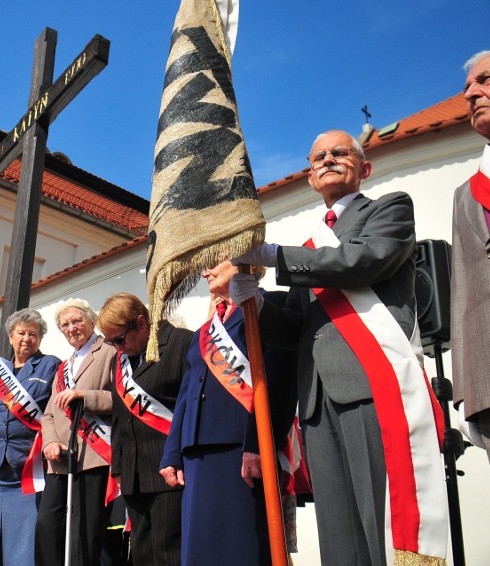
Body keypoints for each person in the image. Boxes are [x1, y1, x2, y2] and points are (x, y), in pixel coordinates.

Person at [230, 130, 449, 565]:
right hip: (316, 401)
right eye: (318, 157)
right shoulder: (309, 246)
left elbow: (362, 261)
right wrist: (254, 304)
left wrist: (274, 255)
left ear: (363, 168)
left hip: (373, 384)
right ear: (311, 176)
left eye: (339, 152)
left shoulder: (390, 209)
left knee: (382, 523)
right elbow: (294, 328)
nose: (328, 159)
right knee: (338, 533)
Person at [158, 263, 297, 565]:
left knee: (241, 545)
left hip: (239, 448)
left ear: (243, 262)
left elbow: (277, 381)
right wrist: (172, 453)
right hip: (197, 452)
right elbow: (187, 391)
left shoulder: (271, 306)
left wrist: (256, 444)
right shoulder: (204, 331)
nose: (206, 273)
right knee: (200, 548)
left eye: (213, 264)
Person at [452, 48, 490, 534]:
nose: (470, 93)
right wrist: (466, 387)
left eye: (485, 81)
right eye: (469, 87)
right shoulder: (466, 193)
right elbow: (464, 287)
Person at [96, 293, 192, 566]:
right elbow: (118, 416)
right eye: (110, 341)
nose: (116, 347)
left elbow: (190, 408)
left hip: (169, 468)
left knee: (169, 551)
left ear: (141, 324)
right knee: (141, 552)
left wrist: (181, 457)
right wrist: (118, 468)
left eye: (119, 339)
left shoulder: (180, 343)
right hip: (134, 473)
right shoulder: (121, 360)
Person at [0, 308, 60, 566]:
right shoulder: (0, 371)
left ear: (40, 339)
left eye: (33, 334)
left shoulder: (50, 365)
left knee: (24, 537)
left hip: (27, 469)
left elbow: (55, 413)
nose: (27, 339)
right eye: (21, 333)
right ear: (10, 337)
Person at [35, 298, 116, 566]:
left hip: (94, 455)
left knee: (85, 532)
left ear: (91, 321)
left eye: (76, 321)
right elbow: (48, 414)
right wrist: (51, 442)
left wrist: (86, 396)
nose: (71, 328)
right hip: (60, 459)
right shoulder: (63, 368)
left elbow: (122, 399)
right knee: (47, 526)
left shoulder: (109, 351)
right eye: (65, 325)